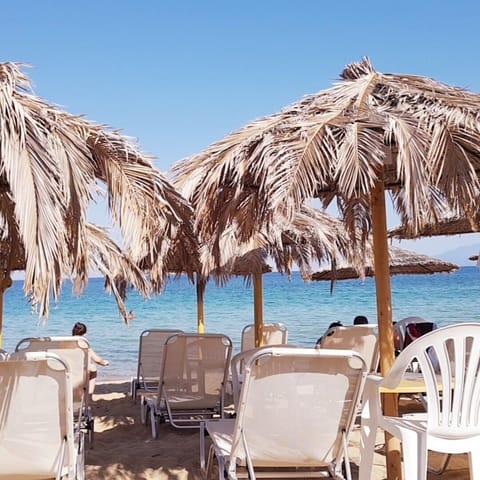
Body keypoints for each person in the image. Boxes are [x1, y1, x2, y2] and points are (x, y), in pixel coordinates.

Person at [72, 322, 109, 396]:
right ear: (85, 334)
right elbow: (97, 360)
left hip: (68, 373)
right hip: (80, 375)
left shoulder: (64, 343)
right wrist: (104, 362)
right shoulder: (84, 344)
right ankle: (89, 395)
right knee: (93, 369)